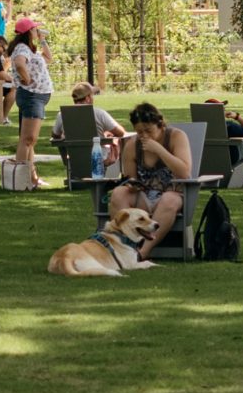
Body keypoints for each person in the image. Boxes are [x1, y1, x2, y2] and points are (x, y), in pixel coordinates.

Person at [108, 102, 192, 259]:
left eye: (148, 131)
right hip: (145, 196)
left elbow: (184, 173)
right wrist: (132, 184)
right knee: (119, 193)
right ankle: (125, 246)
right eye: (140, 132)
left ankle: (143, 252)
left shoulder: (176, 137)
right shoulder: (132, 145)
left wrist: (159, 150)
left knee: (169, 200)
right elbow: (131, 177)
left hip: (171, 195)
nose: (144, 136)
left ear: (160, 125)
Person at [8, 17, 54, 187]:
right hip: (32, 96)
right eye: (35, 29)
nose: (37, 31)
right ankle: (21, 180)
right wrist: (26, 79)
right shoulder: (22, 48)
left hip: (36, 97)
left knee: (30, 140)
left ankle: (31, 178)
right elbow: (20, 64)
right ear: (28, 32)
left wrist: (42, 41)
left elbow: (48, 58)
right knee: (28, 139)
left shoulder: (29, 49)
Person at [50, 81, 125, 166]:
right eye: (92, 95)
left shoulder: (62, 115)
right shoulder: (99, 113)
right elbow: (121, 132)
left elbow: (55, 135)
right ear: (88, 98)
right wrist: (107, 134)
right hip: (100, 159)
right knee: (118, 141)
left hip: (74, 160)